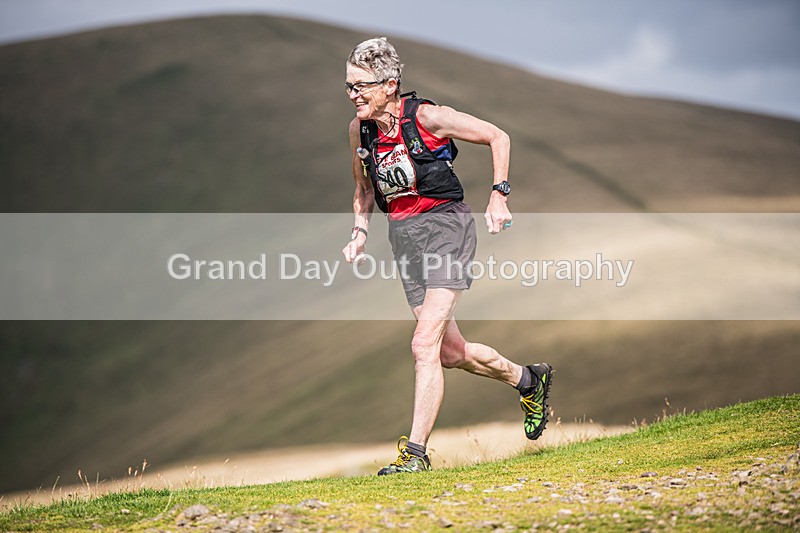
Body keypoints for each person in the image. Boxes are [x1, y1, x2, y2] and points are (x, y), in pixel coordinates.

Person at [342, 37, 553, 475]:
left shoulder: (429, 117)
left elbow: (498, 136)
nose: (353, 95)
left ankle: (415, 455)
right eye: (349, 86)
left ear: (390, 85)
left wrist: (498, 195)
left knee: (422, 344)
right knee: (449, 352)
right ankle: (528, 379)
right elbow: (363, 189)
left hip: (447, 229)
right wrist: (359, 233)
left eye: (361, 86)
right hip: (405, 239)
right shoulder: (359, 132)